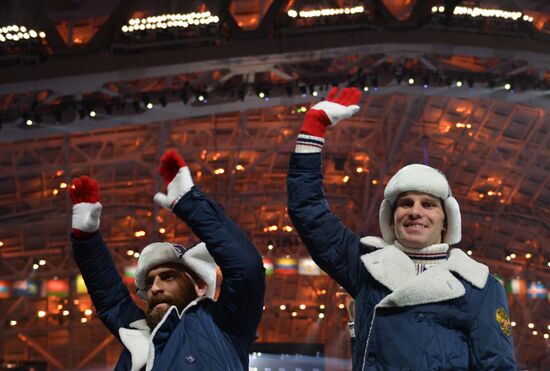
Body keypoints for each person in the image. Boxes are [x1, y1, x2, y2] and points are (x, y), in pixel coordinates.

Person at [286, 87, 516, 370]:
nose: (415, 211)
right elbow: (308, 212)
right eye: (405, 203)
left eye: (428, 204)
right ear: (392, 218)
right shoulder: (367, 268)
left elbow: (498, 365)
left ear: (446, 219)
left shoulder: (480, 285)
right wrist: (314, 129)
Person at [70, 149, 265, 370]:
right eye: (150, 282)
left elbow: (246, 269)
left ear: (200, 285)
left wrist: (190, 202)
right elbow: (111, 299)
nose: (155, 288)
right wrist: (87, 240)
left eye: (168, 277)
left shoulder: (225, 325)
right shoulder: (139, 333)